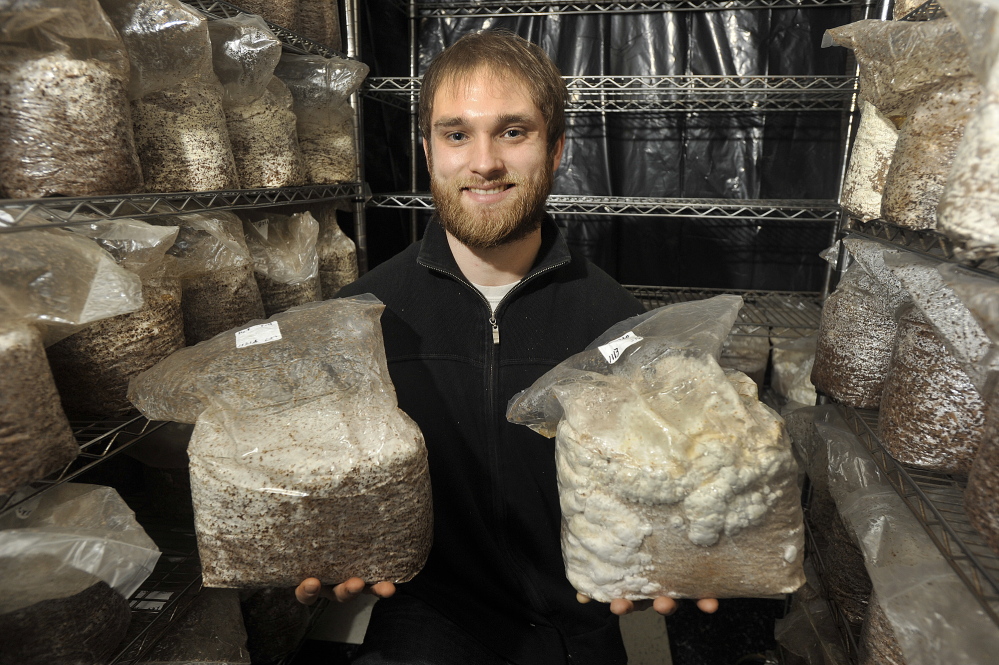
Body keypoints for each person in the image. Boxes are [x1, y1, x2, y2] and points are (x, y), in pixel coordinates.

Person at [295, 30, 718, 664]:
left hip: (579, 630)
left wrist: (686, 544)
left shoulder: (618, 325)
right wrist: (321, 542)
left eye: (513, 132)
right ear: (428, 151)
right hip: (424, 625)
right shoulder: (361, 320)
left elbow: (666, 482)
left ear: (555, 151)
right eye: (457, 134)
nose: (485, 162)